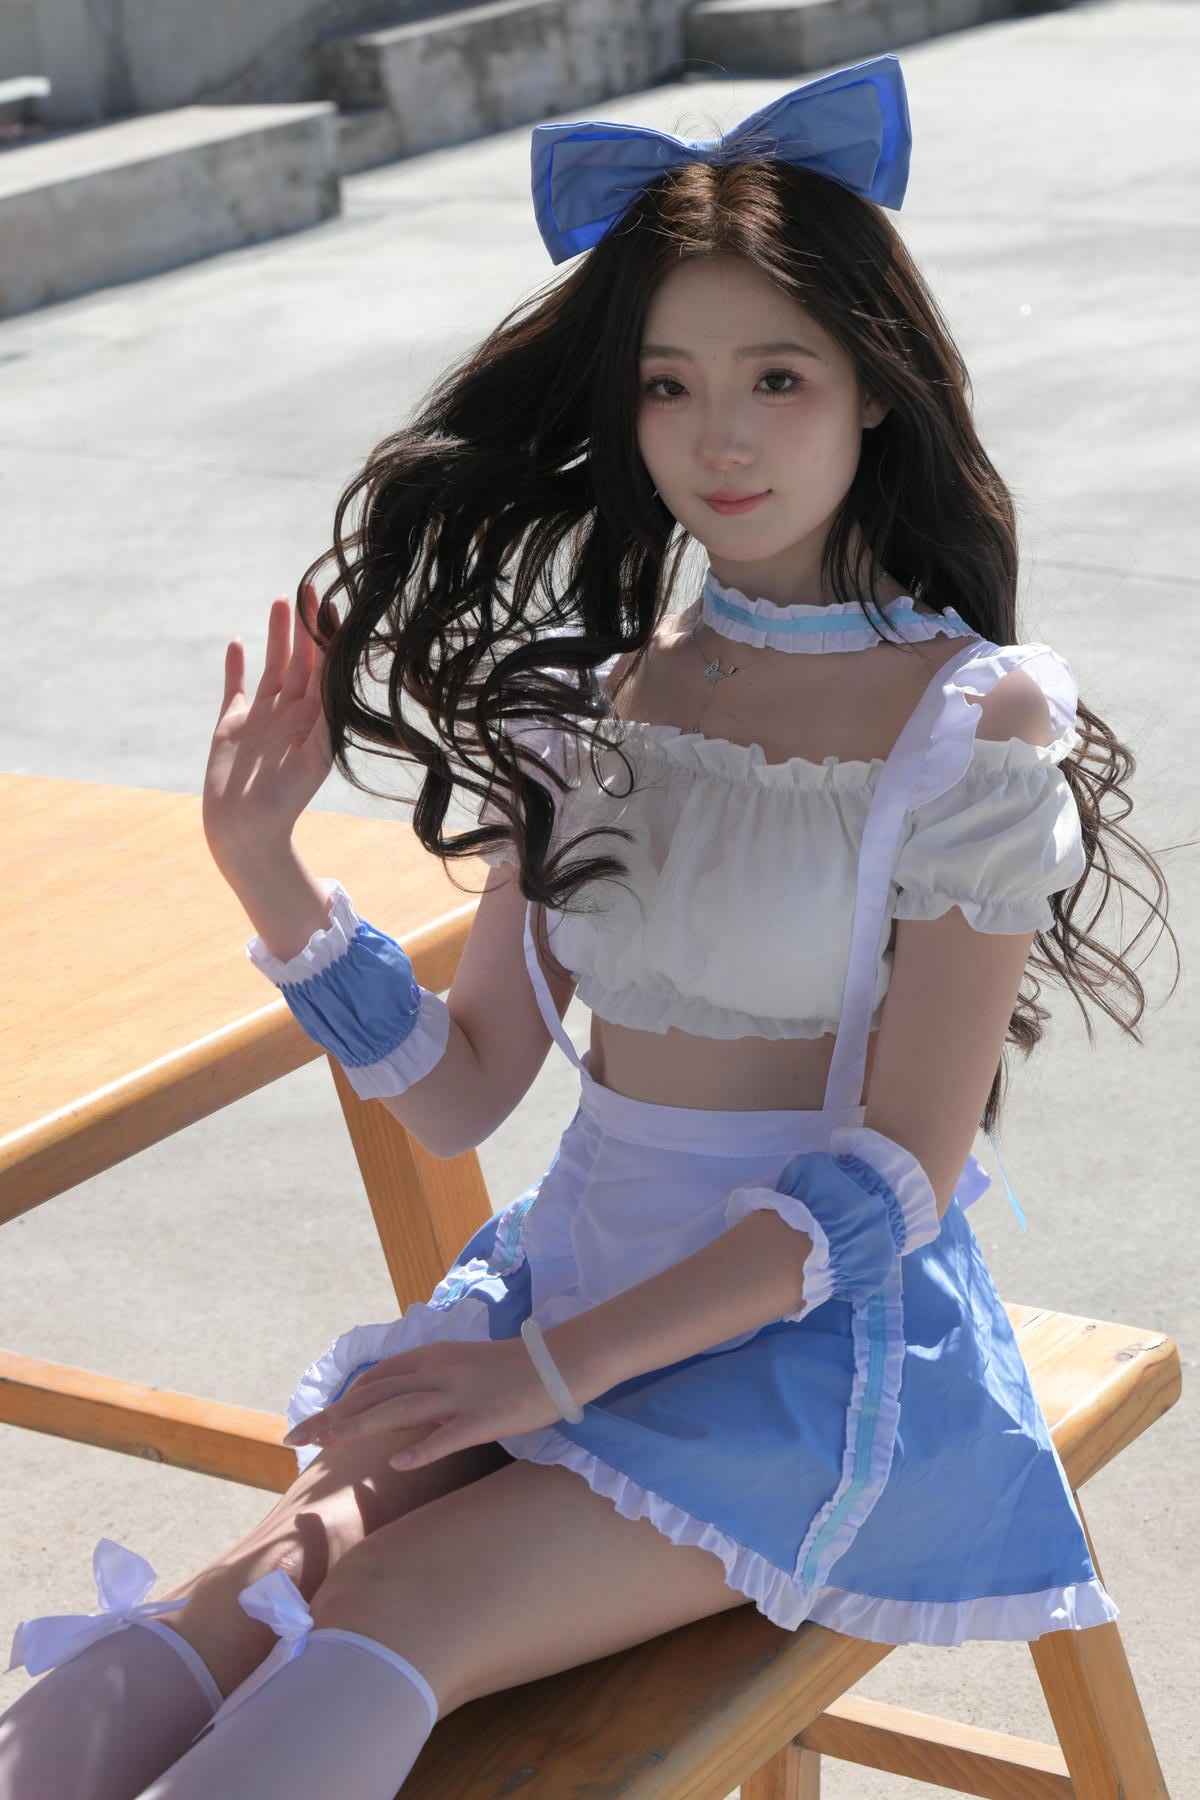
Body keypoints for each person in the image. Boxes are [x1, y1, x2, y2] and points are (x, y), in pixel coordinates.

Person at [1, 55, 1174, 1800]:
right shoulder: (596, 704)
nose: (722, 438)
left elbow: (894, 1179)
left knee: (388, 1602)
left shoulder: (970, 721)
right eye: (668, 386)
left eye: (778, 378)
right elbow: (466, 1087)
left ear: (876, 390)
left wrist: (548, 1378)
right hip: (567, 1287)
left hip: (805, 1351)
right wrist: (267, 871)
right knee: (229, 1600)